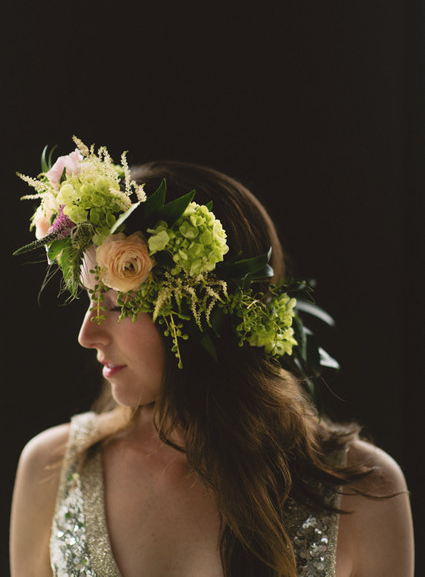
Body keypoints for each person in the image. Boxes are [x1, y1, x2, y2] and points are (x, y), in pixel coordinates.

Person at [10, 138, 414, 577]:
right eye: (89, 300)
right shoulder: (51, 470)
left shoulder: (364, 491)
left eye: (117, 302)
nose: (87, 335)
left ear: (200, 310)